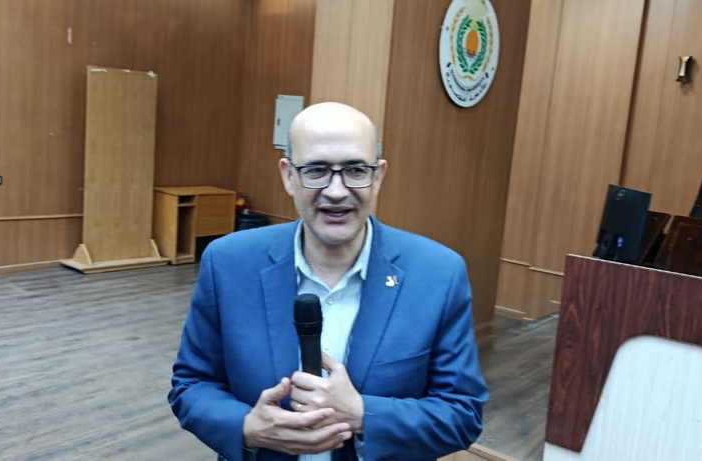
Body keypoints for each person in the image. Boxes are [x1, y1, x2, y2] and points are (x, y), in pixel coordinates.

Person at [168, 102, 487, 461]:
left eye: (356, 169)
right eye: (317, 170)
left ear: (379, 176)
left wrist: (363, 414)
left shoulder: (438, 273)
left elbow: (462, 415)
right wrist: (246, 428)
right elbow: (192, 385)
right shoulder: (228, 262)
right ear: (288, 176)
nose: (336, 191)